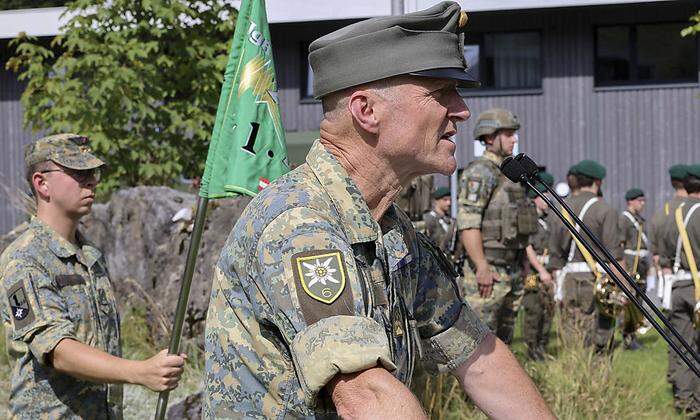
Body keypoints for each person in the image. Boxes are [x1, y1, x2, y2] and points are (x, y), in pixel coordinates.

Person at [203, 3, 553, 418]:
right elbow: (363, 395)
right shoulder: (300, 222)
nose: (461, 111)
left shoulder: (389, 228)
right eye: (441, 92)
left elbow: (478, 356)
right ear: (366, 111)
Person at [0, 134, 187, 418]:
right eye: (78, 172)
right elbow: (57, 350)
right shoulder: (24, 260)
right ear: (42, 183)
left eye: (93, 172)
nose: (91, 181)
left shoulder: (89, 255)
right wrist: (140, 372)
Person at [456, 107, 538, 344]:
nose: (514, 139)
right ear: (490, 137)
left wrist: (522, 261)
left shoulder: (508, 173)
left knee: (504, 342)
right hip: (489, 272)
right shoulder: (480, 172)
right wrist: (481, 267)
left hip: (510, 269)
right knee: (479, 343)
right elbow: (468, 222)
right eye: (508, 134)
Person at [548, 160, 623, 352]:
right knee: (601, 337)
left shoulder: (560, 210)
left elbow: (555, 257)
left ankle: (575, 376)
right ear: (597, 182)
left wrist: (557, 289)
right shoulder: (604, 210)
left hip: (569, 280)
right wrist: (623, 289)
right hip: (597, 280)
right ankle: (596, 380)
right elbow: (614, 257)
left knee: (573, 333)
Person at [657, 164, 700, 415]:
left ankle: (685, 402)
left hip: (677, 286)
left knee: (682, 347)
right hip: (697, 288)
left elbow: (661, 255)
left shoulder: (670, 214)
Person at [522, 171, 555, 361]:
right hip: (533, 273)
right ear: (536, 198)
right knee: (533, 309)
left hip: (547, 271)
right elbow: (528, 247)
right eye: (545, 197)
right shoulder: (531, 219)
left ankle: (542, 346)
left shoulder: (547, 221)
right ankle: (532, 348)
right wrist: (541, 270)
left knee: (547, 309)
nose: (548, 201)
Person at [619, 188, 650, 350]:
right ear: (630, 201)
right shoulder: (625, 219)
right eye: (639, 200)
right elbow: (621, 245)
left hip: (642, 263)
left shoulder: (640, 220)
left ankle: (634, 334)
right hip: (631, 263)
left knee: (639, 301)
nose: (642, 204)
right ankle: (628, 337)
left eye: (643, 200)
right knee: (629, 301)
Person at [423, 186, 455, 252]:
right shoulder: (429, 218)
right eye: (445, 200)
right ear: (436, 201)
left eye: (450, 200)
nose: (449, 203)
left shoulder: (451, 220)